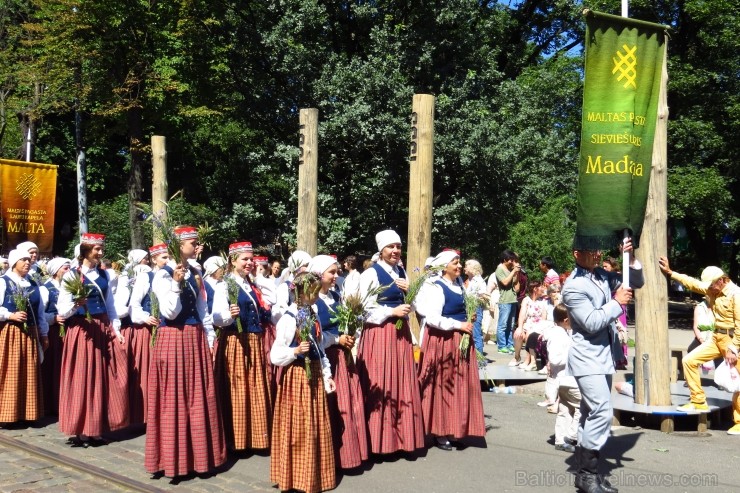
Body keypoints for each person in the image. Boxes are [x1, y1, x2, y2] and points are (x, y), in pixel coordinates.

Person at [562, 238, 643, 493]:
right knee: (602, 412)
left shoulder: (602, 275)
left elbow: (637, 283)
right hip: (587, 358)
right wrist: (617, 303)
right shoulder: (573, 286)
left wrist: (628, 258)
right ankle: (587, 474)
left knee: (589, 413)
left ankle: (587, 474)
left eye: (598, 249)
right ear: (577, 253)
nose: (597, 254)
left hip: (603, 357)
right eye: (591, 250)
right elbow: (592, 322)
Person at [145, 226, 226, 478]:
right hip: (173, 338)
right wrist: (177, 284)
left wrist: (210, 337)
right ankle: (174, 460)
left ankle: (200, 457)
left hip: (194, 338)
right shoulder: (162, 275)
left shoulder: (196, 271)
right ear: (179, 246)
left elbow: (202, 309)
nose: (197, 246)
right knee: (174, 398)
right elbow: (169, 312)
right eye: (193, 243)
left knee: (199, 396)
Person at [356, 229, 424, 455]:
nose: (395, 251)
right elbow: (363, 309)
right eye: (390, 247)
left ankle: (401, 439)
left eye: (398, 246)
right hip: (380, 333)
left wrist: (410, 295)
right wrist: (391, 311)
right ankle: (379, 442)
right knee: (382, 382)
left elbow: (413, 306)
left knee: (401, 382)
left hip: (400, 333)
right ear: (381, 250)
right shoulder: (371, 274)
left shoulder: (402, 272)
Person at [57, 233, 128, 446]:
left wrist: (116, 330)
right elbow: (62, 309)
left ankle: (96, 427)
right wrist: (76, 305)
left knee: (102, 378)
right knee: (82, 378)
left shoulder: (106, 276)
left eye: (101, 249)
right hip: (81, 331)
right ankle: (81, 428)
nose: (100, 252)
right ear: (85, 251)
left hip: (102, 328)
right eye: (96, 249)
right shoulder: (71, 276)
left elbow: (111, 306)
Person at [270, 271, 336, 493]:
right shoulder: (289, 319)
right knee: (298, 428)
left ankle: (315, 475)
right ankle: (296, 477)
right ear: (301, 292)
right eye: (313, 291)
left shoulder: (312, 313)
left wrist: (327, 375)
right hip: (297, 376)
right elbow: (275, 355)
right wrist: (295, 351)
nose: (317, 295)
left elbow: (319, 348)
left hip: (314, 373)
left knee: (315, 426)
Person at [658, 259, 740, 434]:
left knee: (738, 381)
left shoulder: (735, 294)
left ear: (721, 280)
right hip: (716, 337)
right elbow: (693, 283)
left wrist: (734, 348)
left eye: (711, 285)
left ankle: (739, 421)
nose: (709, 289)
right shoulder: (712, 288)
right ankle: (698, 401)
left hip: (732, 339)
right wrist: (671, 273)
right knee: (689, 360)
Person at [416, 250, 485, 450]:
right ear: (445, 266)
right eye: (455, 263)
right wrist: (458, 325)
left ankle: (455, 427)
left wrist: (468, 318)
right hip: (443, 341)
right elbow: (432, 318)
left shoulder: (458, 286)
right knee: (443, 386)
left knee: (459, 386)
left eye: (459, 262)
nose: (460, 266)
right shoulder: (437, 287)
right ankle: (440, 431)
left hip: (460, 340)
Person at [211, 241, 273, 452]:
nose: (249, 263)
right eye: (244, 259)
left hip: (254, 341)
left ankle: (255, 437)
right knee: (238, 389)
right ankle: (237, 438)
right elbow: (217, 317)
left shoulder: (252, 284)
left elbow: (269, 304)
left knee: (255, 388)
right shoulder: (225, 284)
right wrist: (230, 314)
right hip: (236, 342)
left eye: (250, 259)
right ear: (233, 260)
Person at [309, 254, 369, 469]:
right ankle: (331, 455)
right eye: (331, 272)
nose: (336, 275)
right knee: (332, 406)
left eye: (336, 272)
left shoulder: (336, 295)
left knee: (348, 404)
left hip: (342, 356)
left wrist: (350, 334)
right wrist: (337, 338)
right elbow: (313, 336)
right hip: (326, 358)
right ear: (318, 274)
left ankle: (349, 454)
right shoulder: (313, 301)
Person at [0, 248, 49, 425]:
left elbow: (40, 312)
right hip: (11, 331)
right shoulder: (4, 282)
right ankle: (7, 414)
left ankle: (26, 413)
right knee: (10, 372)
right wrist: (9, 315)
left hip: (31, 332)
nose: (28, 263)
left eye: (29, 260)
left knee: (29, 372)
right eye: (23, 260)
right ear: (14, 263)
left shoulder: (34, 284)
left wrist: (44, 334)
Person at [127, 243, 169, 426]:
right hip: (149, 331)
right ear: (154, 260)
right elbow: (134, 305)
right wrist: (146, 318)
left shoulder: (171, 276)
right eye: (164, 257)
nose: (168, 261)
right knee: (149, 373)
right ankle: (147, 416)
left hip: (167, 331)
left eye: (169, 257)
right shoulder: (146, 277)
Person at [547, 304, 581, 453]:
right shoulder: (558, 334)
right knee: (584, 406)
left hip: (563, 380)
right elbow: (554, 359)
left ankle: (560, 440)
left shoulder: (564, 332)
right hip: (566, 378)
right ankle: (571, 435)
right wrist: (571, 355)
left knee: (565, 408)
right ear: (566, 319)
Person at [40, 257, 71, 416]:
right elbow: (40, 313)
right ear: (56, 271)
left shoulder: (71, 287)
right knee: (54, 366)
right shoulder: (46, 289)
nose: (68, 271)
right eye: (65, 268)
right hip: (54, 332)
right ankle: (51, 403)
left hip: (68, 331)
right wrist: (52, 318)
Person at [495, 250, 520, 354]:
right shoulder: (499, 269)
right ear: (505, 259)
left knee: (511, 325)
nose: (512, 261)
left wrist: (516, 272)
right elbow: (505, 282)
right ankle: (501, 346)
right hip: (505, 300)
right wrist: (513, 271)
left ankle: (509, 344)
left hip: (513, 299)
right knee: (503, 324)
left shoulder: (509, 269)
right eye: (511, 259)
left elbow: (516, 285)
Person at [464, 259, 487, 355]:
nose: (464, 268)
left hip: (475, 308)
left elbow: (483, 297)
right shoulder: (467, 280)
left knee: (476, 332)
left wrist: (472, 302)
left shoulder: (479, 281)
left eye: (466, 266)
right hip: (467, 307)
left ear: (472, 268)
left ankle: (479, 356)